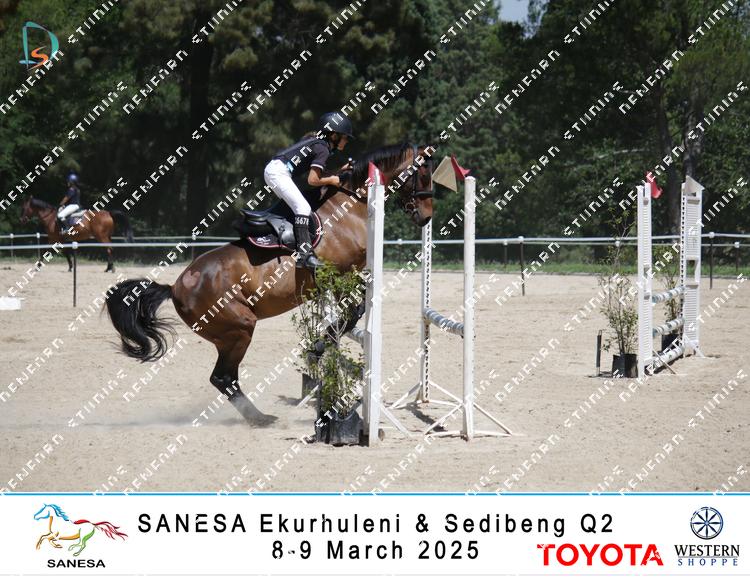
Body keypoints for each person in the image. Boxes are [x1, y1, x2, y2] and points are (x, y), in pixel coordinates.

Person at [264, 112, 353, 271]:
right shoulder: (323, 149)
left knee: (299, 207)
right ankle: (304, 256)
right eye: (345, 137)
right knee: (303, 208)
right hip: (278, 173)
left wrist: (339, 171)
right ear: (334, 135)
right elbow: (313, 180)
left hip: (275, 170)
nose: (346, 141)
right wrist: (333, 180)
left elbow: (319, 175)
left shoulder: (316, 142)